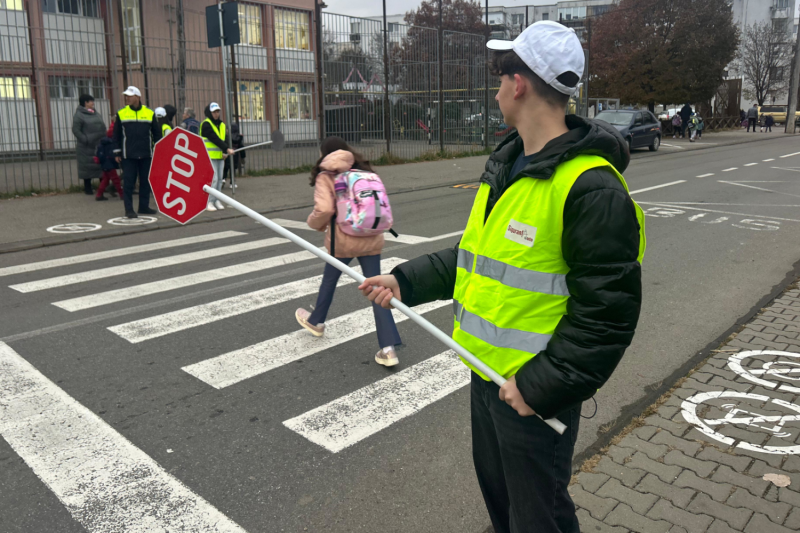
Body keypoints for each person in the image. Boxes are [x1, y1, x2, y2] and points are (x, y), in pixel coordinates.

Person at [359, 21, 645, 533]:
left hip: (534, 396)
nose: (495, 93)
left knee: (540, 519)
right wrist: (405, 281)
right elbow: (473, 259)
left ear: (519, 84)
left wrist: (537, 387)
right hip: (486, 376)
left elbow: (607, 317)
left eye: (499, 79)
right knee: (503, 509)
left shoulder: (591, 189)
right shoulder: (507, 167)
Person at [295, 136, 402, 366]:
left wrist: (314, 224)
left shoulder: (327, 175)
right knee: (377, 289)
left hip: (342, 241)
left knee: (329, 281)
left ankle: (317, 321)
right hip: (371, 238)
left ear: (324, 154)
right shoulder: (363, 171)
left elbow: (324, 209)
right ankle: (388, 348)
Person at [112, 86, 161, 219]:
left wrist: (159, 150)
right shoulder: (121, 113)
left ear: (138, 97)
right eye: (126, 95)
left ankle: (143, 206)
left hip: (146, 153)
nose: (127, 98)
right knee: (129, 182)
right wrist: (117, 152)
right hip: (128, 154)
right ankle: (129, 209)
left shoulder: (149, 113)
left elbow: (157, 134)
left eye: (129, 96)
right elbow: (116, 135)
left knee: (145, 181)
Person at [201, 102, 234, 211]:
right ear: (209, 113)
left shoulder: (222, 125)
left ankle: (217, 199)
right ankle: (209, 202)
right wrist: (226, 149)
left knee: (220, 179)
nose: (216, 114)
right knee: (213, 179)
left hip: (220, 156)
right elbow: (214, 138)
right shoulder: (206, 124)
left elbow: (224, 139)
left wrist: (225, 151)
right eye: (214, 112)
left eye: (217, 111)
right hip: (209, 156)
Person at [72, 93, 106, 196]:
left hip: (98, 144)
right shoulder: (79, 115)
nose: (93, 103)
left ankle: (102, 187)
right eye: (91, 101)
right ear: (85, 103)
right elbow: (76, 130)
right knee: (87, 167)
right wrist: (85, 139)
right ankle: (88, 188)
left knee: (100, 166)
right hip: (86, 146)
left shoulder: (95, 113)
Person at [94, 121, 123, 202]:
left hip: (105, 163)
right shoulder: (112, 142)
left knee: (105, 179)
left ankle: (99, 194)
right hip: (110, 163)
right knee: (115, 179)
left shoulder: (104, 142)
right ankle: (122, 194)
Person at [222, 122, 244, 190]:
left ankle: (223, 179)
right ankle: (232, 183)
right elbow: (242, 147)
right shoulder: (239, 137)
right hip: (235, 154)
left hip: (227, 154)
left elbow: (224, 145)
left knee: (225, 168)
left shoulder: (226, 136)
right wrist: (243, 156)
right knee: (233, 169)